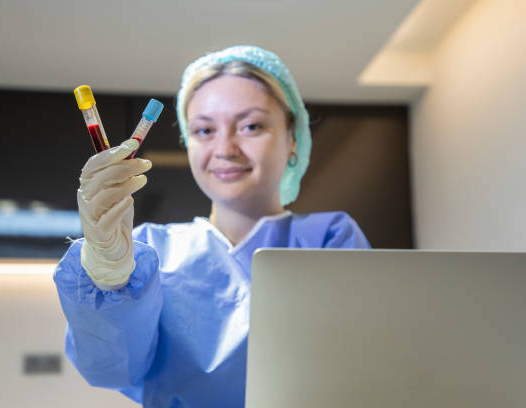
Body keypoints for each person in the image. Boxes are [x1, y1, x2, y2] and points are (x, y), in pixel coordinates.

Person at [54, 45, 370, 407]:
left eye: (251, 126)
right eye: (204, 130)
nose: (225, 148)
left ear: (293, 138)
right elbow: (107, 371)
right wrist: (108, 279)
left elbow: (365, 367)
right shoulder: (146, 252)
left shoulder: (330, 238)